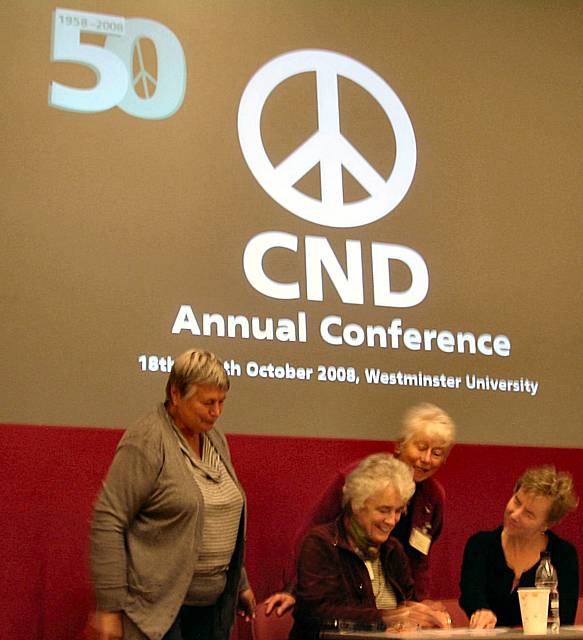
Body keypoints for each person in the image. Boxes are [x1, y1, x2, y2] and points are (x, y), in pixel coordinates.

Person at [89, 348, 256, 640]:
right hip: (158, 612)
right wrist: (109, 609)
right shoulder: (147, 441)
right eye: (207, 403)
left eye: (221, 402)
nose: (216, 412)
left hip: (210, 609)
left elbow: (219, 514)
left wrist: (239, 583)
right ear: (176, 395)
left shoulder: (215, 438)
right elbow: (108, 520)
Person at [266, 402, 455, 614]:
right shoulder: (358, 480)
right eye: (421, 448)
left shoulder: (433, 497)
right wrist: (293, 588)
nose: (426, 459)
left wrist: (418, 605)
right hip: (343, 587)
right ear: (400, 445)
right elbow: (313, 534)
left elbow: (419, 558)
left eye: (437, 453)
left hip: (390, 596)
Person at [289, 454, 451, 639]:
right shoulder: (321, 544)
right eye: (383, 510)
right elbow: (318, 614)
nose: (392, 521)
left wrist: (422, 612)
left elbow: (407, 606)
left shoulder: (393, 550)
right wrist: (388, 618)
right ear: (357, 504)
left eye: (398, 511)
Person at [459, 465, 579, 629]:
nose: (515, 514)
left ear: (546, 524)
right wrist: (481, 611)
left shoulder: (563, 555)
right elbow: (471, 593)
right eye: (516, 501)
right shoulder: (480, 545)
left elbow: (563, 619)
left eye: (528, 514)